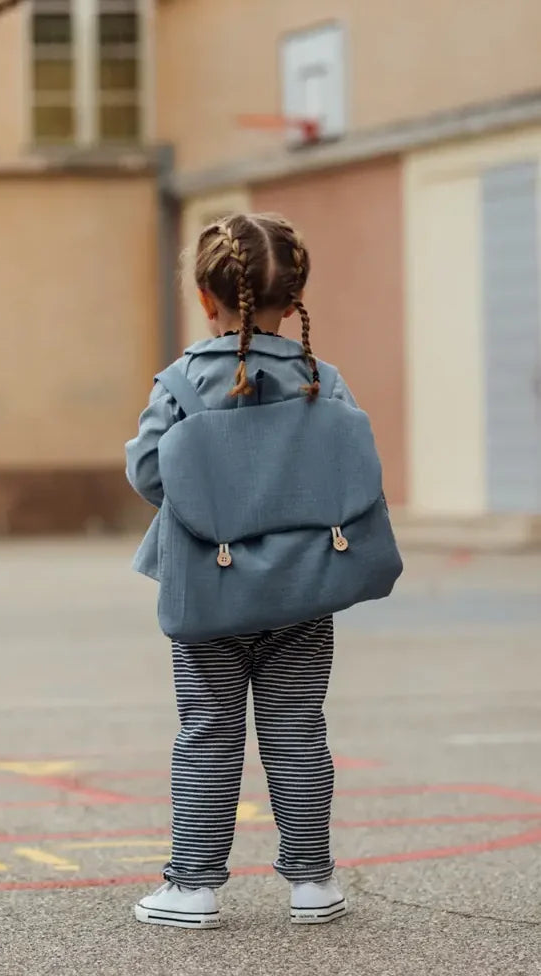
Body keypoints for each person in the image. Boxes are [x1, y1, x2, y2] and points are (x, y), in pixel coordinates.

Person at [125, 213, 380, 929]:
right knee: (298, 730)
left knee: (208, 729)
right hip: (303, 589)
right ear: (293, 294)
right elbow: (348, 469)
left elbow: (150, 473)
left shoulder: (181, 381)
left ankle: (195, 885)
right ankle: (312, 881)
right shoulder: (322, 380)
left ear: (206, 297)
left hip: (209, 587)